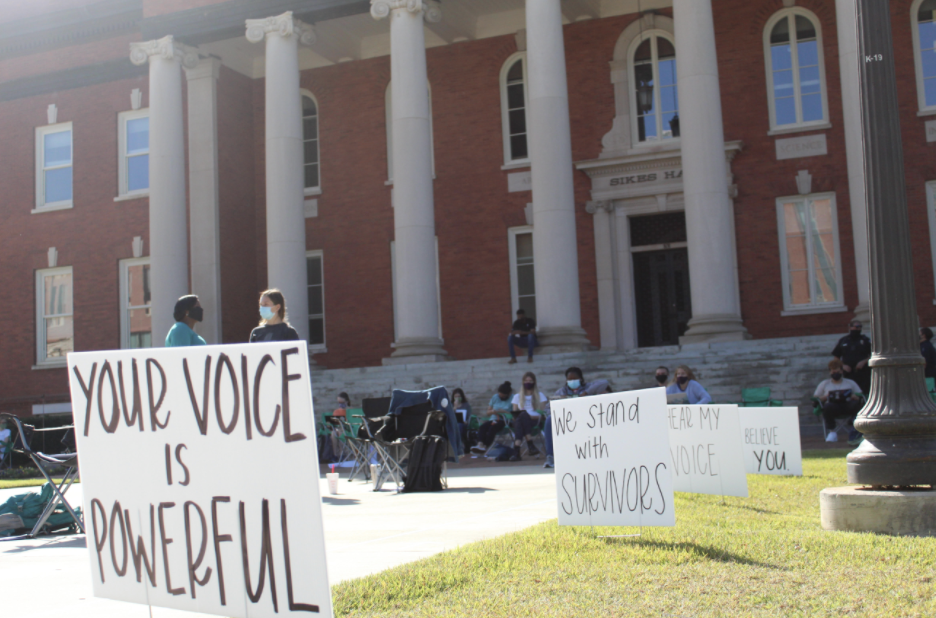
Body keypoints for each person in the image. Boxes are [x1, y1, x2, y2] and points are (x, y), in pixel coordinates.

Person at [543, 367, 611, 469]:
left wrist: (587, 392)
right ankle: (550, 456)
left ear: (581, 379)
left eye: (575, 379)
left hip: (586, 418)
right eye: (569, 379)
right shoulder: (562, 392)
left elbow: (604, 382)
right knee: (549, 420)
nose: (572, 381)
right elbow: (548, 408)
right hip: (567, 419)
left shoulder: (588, 387)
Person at [814, 359, 863, 444]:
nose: (835, 374)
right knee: (827, 407)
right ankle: (832, 431)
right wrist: (826, 397)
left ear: (841, 371)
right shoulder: (825, 384)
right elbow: (816, 398)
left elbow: (861, 396)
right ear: (830, 372)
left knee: (856, 405)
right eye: (833, 372)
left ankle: (854, 427)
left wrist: (854, 396)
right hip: (833, 407)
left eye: (837, 371)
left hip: (847, 405)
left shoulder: (850, 382)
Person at [508, 372, 548, 461]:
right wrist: (524, 415)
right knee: (521, 417)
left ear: (534, 382)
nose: (528, 382)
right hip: (521, 422)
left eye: (530, 380)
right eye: (526, 380)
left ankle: (516, 452)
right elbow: (515, 414)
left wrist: (529, 416)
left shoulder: (540, 396)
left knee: (522, 416)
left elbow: (542, 415)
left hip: (535, 421)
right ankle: (530, 444)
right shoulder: (517, 396)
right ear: (523, 382)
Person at [470, 382, 514, 454]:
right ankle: (480, 444)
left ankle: (485, 446)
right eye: (500, 395)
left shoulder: (513, 398)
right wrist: (493, 411)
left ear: (508, 394)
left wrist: (504, 412)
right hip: (494, 418)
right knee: (483, 427)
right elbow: (488, 412)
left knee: (492, 428)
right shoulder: (495, 397)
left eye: (503, 396)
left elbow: (514, 414)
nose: (501, 397)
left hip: (504, 420)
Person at [832, 320, 872, 396]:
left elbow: (873, 354)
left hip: (863, 372)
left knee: (864, 392)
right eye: (856, 327)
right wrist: (843, 366)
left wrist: (864, 362)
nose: (858, 329)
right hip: (848, 373)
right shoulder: (843, 340)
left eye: (860, 327)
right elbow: (836, 357)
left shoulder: (865, 340)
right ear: (850, 327)